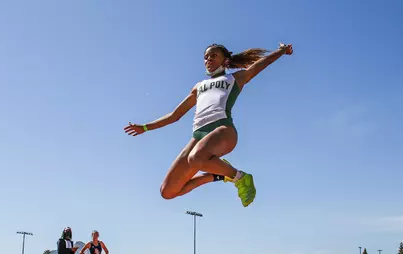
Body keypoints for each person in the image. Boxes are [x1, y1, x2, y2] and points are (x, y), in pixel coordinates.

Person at [124, 42, 293, 207]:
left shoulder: (235, 78)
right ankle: (218, 175)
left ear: (225, 60)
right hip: (198, 136)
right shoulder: (199, 87)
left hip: (223, 130)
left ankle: (240, 177)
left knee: (195, 157)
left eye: (214, 55)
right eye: (206, 57)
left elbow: (261, 64)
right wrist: (145, 127)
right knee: (168, 192)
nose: (209, 59)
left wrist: (281, 51)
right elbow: (175, 115)